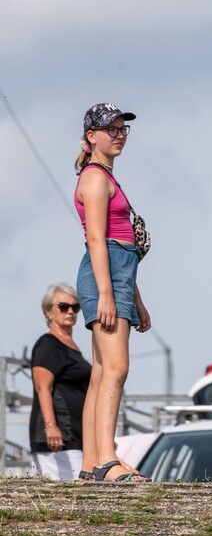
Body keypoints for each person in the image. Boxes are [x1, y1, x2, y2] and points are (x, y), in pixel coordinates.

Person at [74, 102, 151, 481]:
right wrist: (107, 293)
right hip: (106, 275)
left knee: (102, 372)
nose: (119, 135)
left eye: (123, 129)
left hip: (119, 274)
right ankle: (107, 459)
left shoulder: (107, 177)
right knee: (117, 368)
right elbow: (96, 239)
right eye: (111, 129)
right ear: (92, 137)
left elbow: (122, 246)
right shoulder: (94, 178)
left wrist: (136, 300)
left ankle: (92, 463)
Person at [28, 283, 92, 480]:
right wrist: (51, 426)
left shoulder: (71, 347)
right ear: (48, 311)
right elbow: (42, 387)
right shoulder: (48, 345)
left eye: (75, 307)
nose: (70, 311)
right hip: (59, 439)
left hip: (78, 436)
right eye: (63, 307)